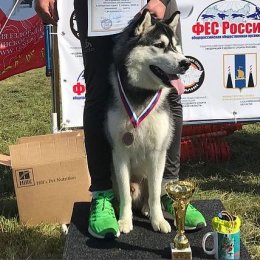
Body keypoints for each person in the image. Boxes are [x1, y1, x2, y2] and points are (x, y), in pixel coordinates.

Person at [35, 0, 206, 239]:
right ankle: (103, 195)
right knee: (98, 93)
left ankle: (168, 191)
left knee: (171, 89)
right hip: (98, 6)